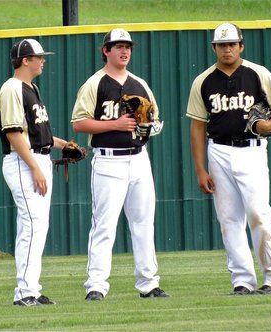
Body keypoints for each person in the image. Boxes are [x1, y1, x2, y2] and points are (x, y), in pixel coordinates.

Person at [186, 23, 271, 295]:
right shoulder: (203, 81)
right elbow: (197, 127)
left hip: (253, 149)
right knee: (229, 219)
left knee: (258, 213)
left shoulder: (258, 74)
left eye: (232, 43)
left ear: (241, 45)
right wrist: (200, 170)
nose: (227, 49)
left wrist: (267, 126)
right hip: (218, 150)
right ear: (214, 48)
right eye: (222, 45)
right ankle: (242, 280)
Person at [71, 28, 168, 301]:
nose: (124, 51)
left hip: (138, 159)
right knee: (104, 225)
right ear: (106, 51)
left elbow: (155, 120)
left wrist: (149, 127)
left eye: (128, 47)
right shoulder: (95, 83)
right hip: (108, 159)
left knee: (144, 223)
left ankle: (149, 283)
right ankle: (96, 286)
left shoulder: (140, 84)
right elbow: (78, 123)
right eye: (118, 46)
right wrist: (115, 124)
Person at [0, 39, 73, 306]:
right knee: (31, 226)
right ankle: (25, 293)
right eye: (38, 57)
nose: (43, 60)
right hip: (22, 162)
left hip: (38, 159)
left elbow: (40, 133)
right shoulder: (12, 88)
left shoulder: (32, 88)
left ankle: (32, 289)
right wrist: (34, 168)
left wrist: (65, 145)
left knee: (38, 227)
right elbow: (14, 133)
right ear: (25, 60)